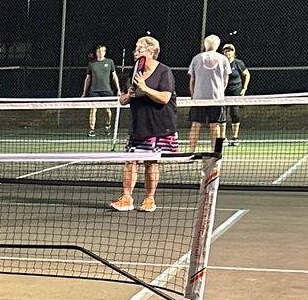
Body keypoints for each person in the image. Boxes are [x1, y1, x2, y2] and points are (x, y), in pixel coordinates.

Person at [113, 35, 176, 213]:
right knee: (130, 160)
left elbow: (165, 98)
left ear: (151, 51)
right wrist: (129, 94)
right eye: (136, 48)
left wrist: (144, 88)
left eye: (139, 48)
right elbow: (122, 100)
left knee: (151, 162)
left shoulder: (164, 72)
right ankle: (127, 198)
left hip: (159, 125)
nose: (135, 52)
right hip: (138, 125)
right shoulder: (134, 71)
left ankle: (149, 199)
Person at [185, 33, 230, 152]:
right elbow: (225, 79)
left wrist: (193, 96)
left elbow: (192, 80)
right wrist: (220, 92)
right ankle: (216, 153)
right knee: (215, 126)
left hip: (199, 99)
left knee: (195, 125)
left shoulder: (196, 58)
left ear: (205, 45)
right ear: (217, 45)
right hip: (217, 99)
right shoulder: (223, 59)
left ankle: (191, 152)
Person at [81, 43, 118, 136]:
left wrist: (119, 90)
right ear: (96, 52)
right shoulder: (92, 64)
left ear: (105, 52)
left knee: (107, 110)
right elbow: (88, 79)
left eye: (102, 51)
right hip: (94, 91)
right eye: (99, 51)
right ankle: (92, 130)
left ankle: (107, 126)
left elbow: (114, 76)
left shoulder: (110, 62)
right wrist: (84, 93)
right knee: (93, 109)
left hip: (107, 90)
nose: (100, 53)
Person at [221, 42, 251, 142]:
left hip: (235, 92)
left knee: (234, 114)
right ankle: (222, 138)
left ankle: (235, 137)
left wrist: (244, 88)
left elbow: (247, 74)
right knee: (222, 114)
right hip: (222, 93)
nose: (228, 53)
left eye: (230, 51)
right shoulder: (220, 63)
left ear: (233, 52)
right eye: (226, 51)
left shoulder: (238, 63)